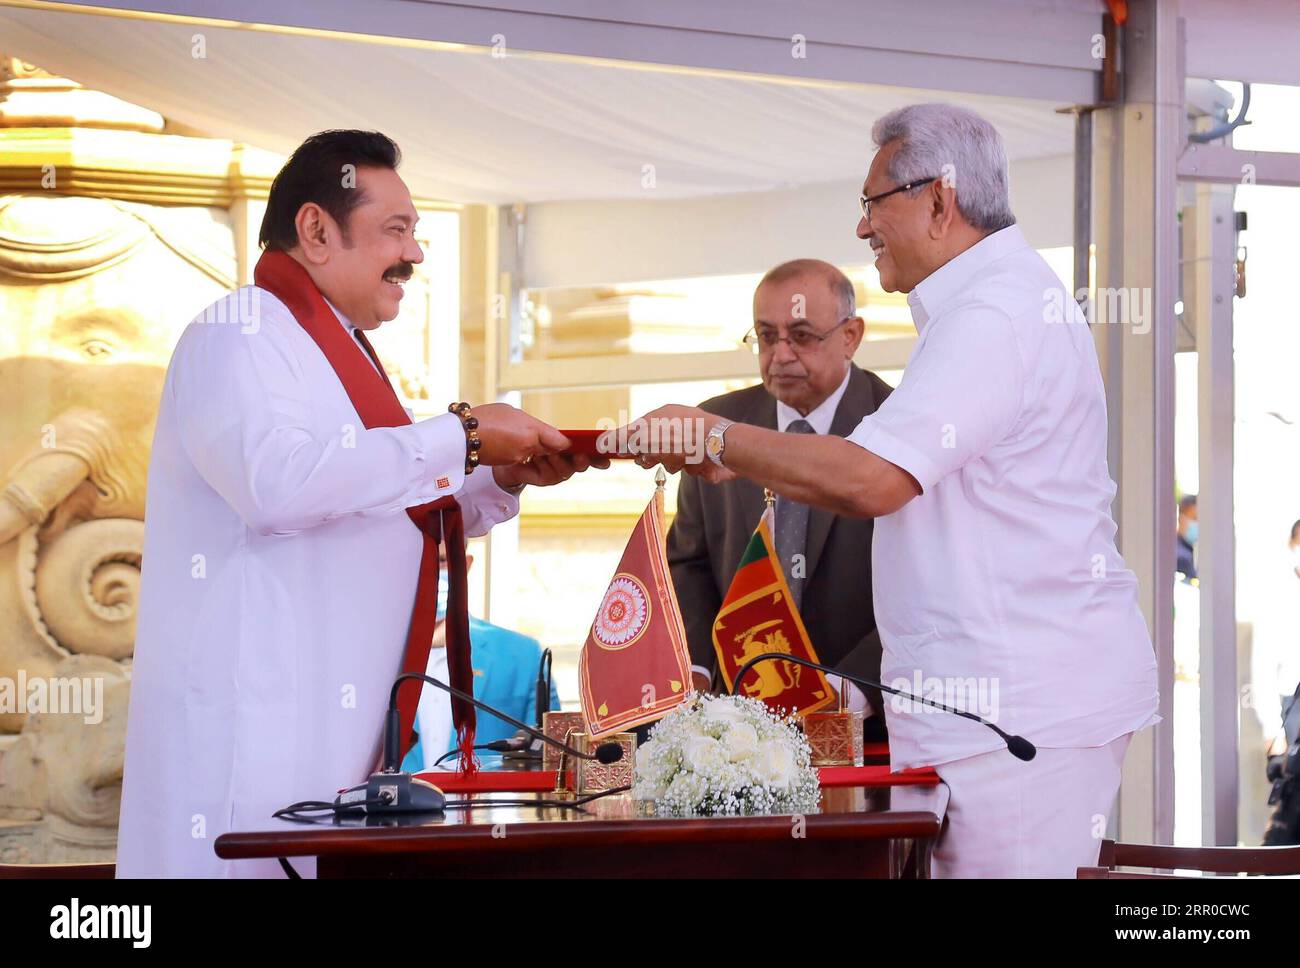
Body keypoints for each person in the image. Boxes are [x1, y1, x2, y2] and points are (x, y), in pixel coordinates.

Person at [624, 103, 1159, 878]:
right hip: (985, 709)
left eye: (875, 203)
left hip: (1015, 709)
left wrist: (713, 437)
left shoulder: (994, 312)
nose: (863, 228)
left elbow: (873, 479)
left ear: (939, 199)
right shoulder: (990, 302)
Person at [117, 130, 600, 878]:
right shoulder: (236, 333)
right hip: (260, 728)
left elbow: (390, 503)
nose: (415, 255)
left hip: (328, 726)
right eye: (396, 231)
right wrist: (465, 434)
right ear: (315, 231)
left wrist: (501, 477)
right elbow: (279, 486)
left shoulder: (331, 347)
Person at [667, 259, 894, 741]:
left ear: (851, 335)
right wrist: (699, 672)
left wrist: (844, 695)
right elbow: (689, 563)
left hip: (863, 727)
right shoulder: (718, 423)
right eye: (767, 337)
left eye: (803, 336)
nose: (781, 355)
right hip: (731, 730)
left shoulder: (895, 424)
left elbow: (930, 590)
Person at [400, 552, 561, 771]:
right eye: (417, 561)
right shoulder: (371, 662)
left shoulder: (523, 655)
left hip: (488, 803)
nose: (431, 573)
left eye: (441, 561)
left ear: (465, 564)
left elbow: (552, 761)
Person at [1176, 493, 1198, 583]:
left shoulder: (1189, 550)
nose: (1197, 523)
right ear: (1181, 518)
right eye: (1194, 518)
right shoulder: (1181, 557)